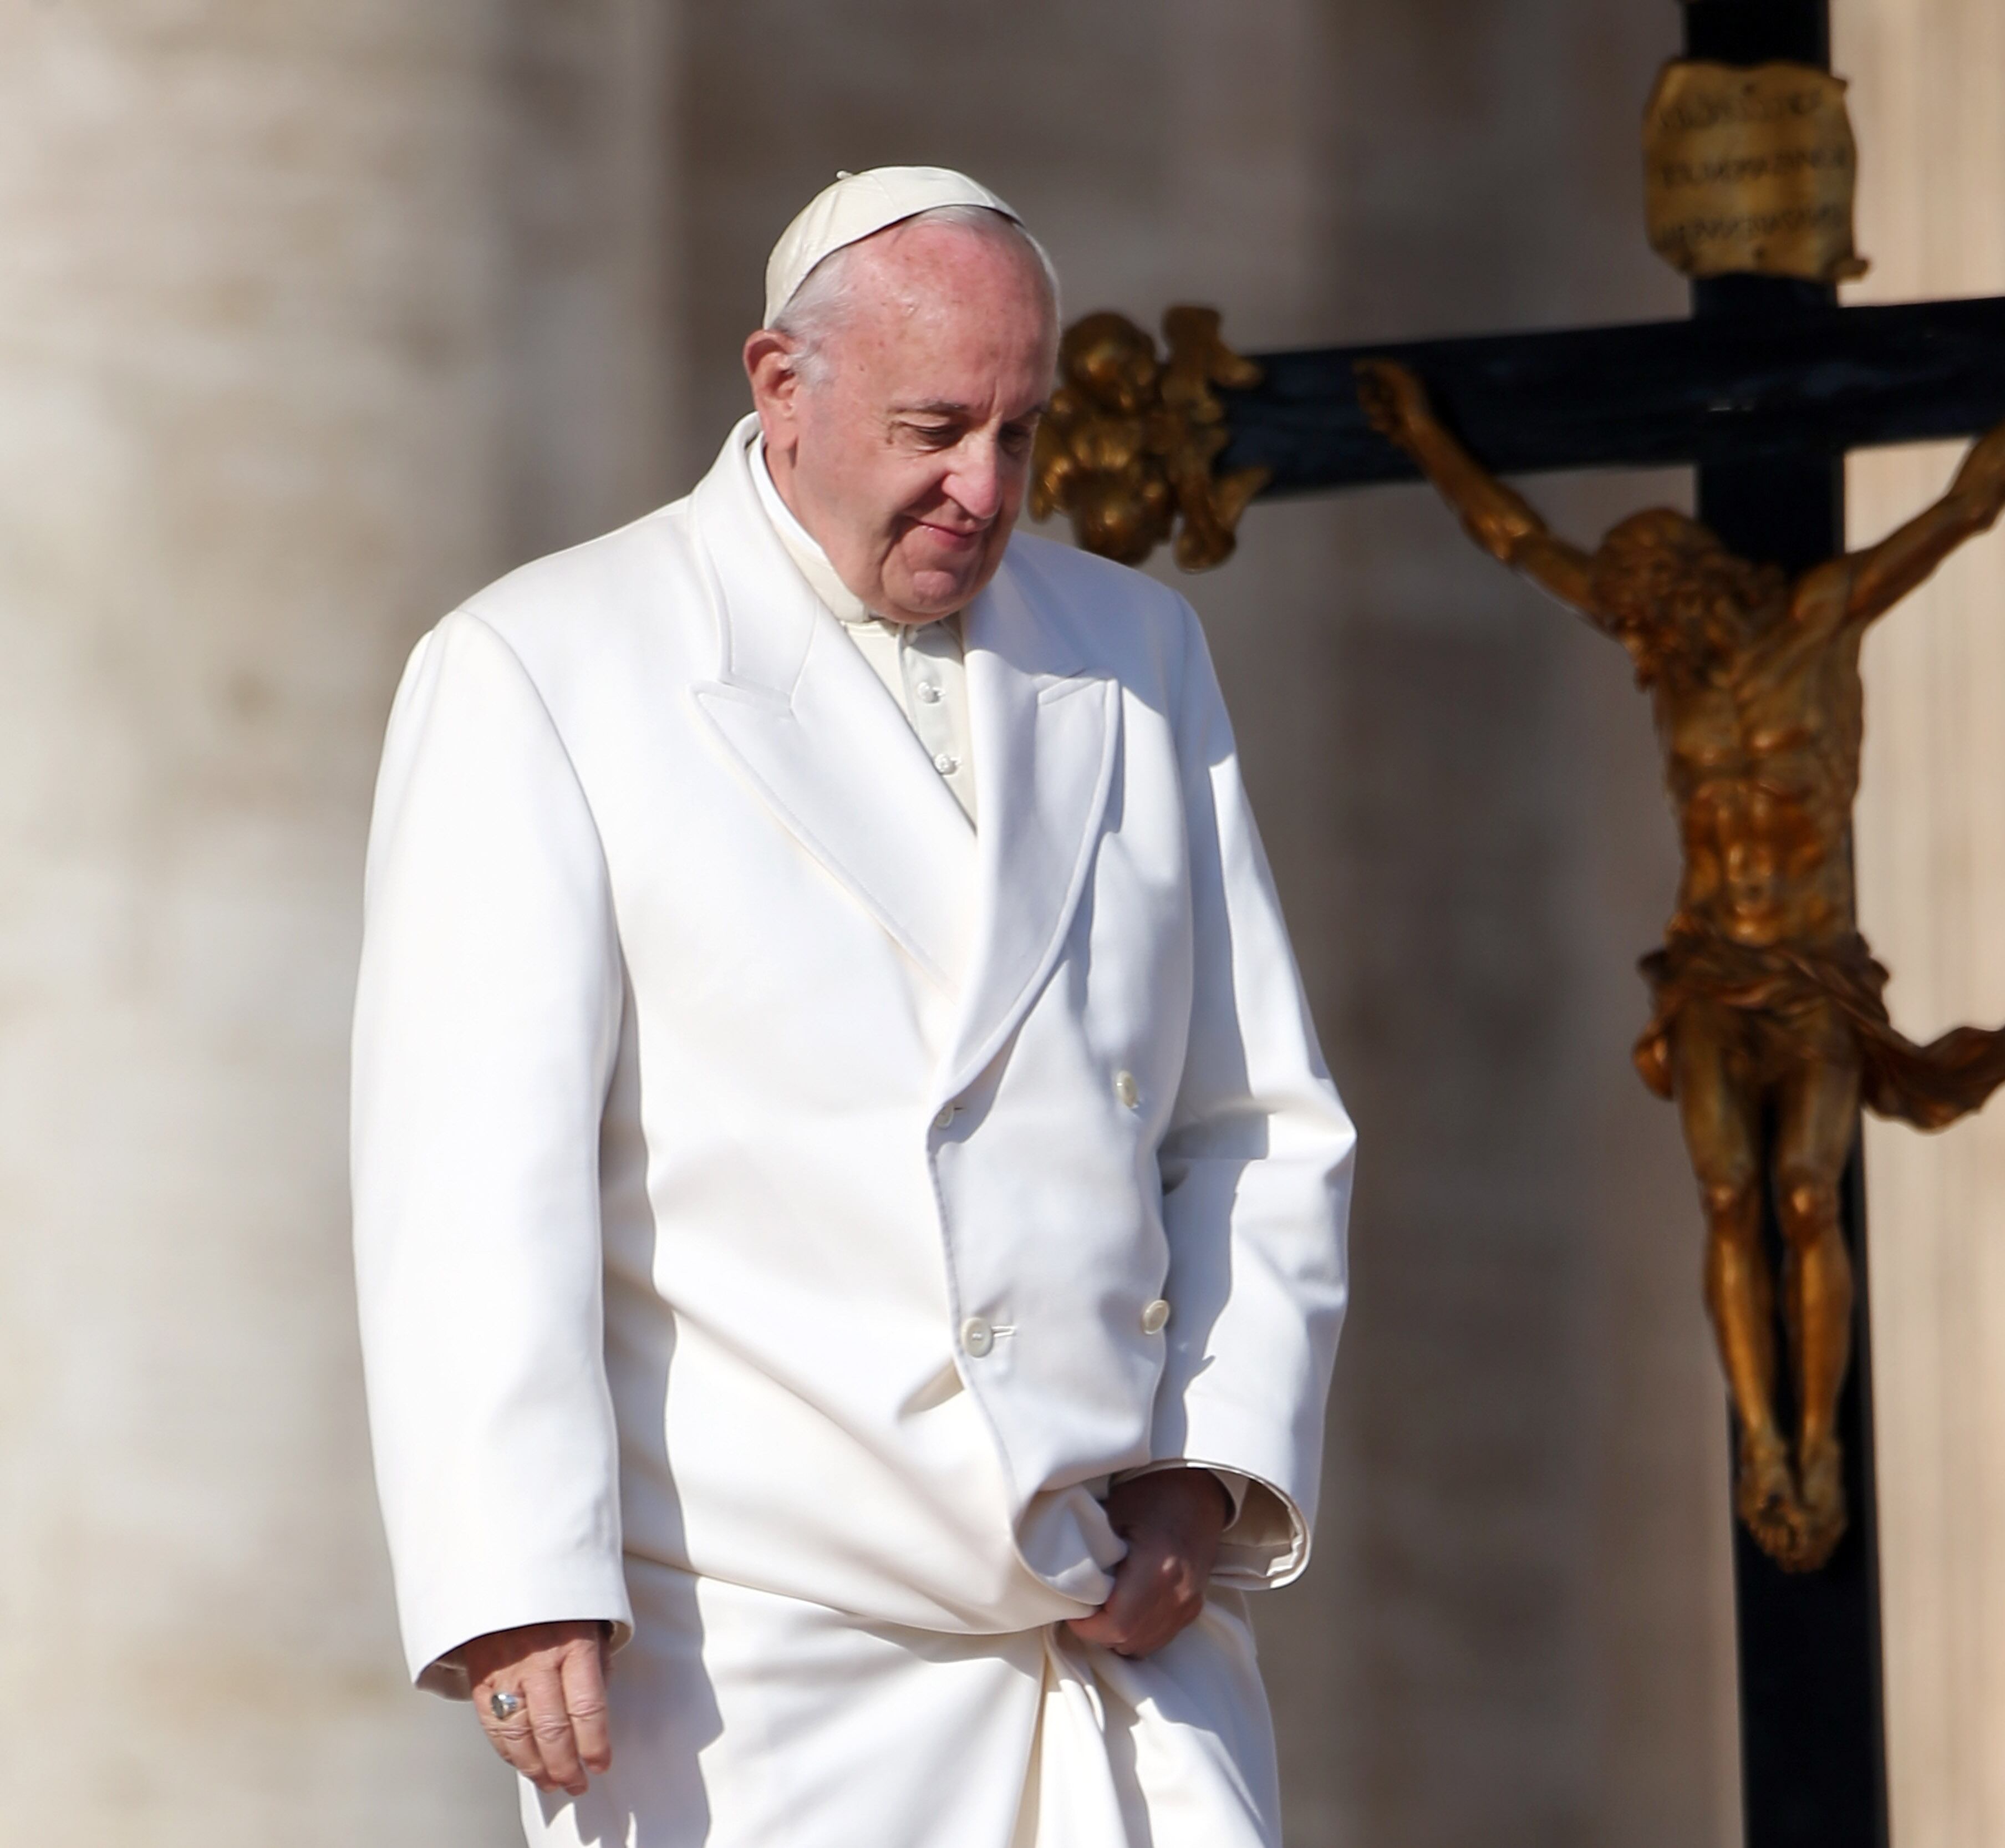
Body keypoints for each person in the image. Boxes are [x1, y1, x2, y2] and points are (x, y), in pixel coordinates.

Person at [352, 166, 1355, 1847]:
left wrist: (1208, 1466)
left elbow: (1252, 1116)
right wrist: (514, 1573)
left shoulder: (1135, 651)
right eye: (935, 427)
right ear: (780, 385)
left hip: (1110, 1640)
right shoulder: (547, 666)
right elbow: (468, 1179)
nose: (985, 487)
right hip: (748, 1661)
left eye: (1020, 432)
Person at [1356, 286, 2005, 1570]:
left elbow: (1966, 506)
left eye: (1653, 617)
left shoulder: (1817, 620)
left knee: (1800, 1191)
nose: (1639, 643)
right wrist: (1424, 437)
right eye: (1635, 627)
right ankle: (1763, 1446)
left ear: (1691, 588)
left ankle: (1819, 1438)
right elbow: (1516, 541)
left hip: (1814, 974)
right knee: (1731, 1192)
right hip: (1714, 976)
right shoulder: (1663, 654)